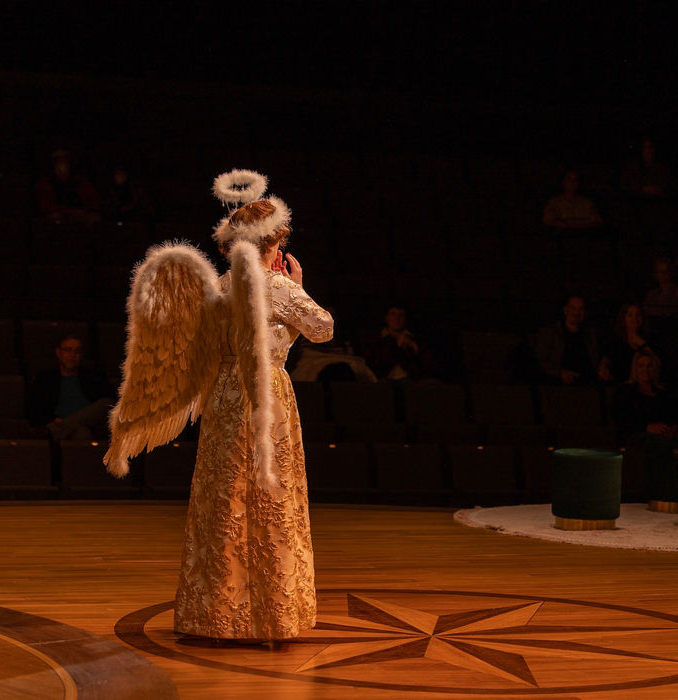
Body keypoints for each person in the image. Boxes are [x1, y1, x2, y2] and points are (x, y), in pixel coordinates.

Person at [105, 169, 333, 646]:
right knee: (269, 500)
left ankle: (215, 614)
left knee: (224, 498)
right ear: (274, 246)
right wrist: (299, 284)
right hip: (265, 392)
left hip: (226, 395)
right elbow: (323, 328)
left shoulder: (221, 287)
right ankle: (270, 616)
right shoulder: (279, 287)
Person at [27, 334, 114, 441]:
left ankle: (55, 430)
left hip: (90, 422)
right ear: (58, 353)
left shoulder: (93, 377)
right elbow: (35, 408)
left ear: (81, 355)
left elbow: (108, 404)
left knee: (106, 403)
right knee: (82, 433)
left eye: (77, 351)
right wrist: (52, 420)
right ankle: (63, 427)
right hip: (67, 423)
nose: (72, 355)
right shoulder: (45, 378)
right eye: (68, 350)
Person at [612, 350, 678, 444]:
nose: (645, 370)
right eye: (641, 366)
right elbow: (621, 418)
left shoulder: (664, 394)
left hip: (664, 436)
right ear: (635, 369)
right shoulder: (625, 391)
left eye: (649, 366)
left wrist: (674, 427)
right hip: (636, 438)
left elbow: (675, 414)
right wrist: (647, 427)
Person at [535, 295, 600, 385]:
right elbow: (540, 360)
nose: (577, 312)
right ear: (566, 310)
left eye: (580, 309)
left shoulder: (590, 334)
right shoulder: (551, 332)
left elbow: (598, 356)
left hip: (588, 383)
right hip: (559, 384)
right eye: (573, 308)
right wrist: (560, 372)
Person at [363, 303, 435, 381]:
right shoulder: (376, 341)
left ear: (405, 319)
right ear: (386, 318)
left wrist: (415, 349)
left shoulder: (416, 340)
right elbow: (374, 367)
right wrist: (397, 347)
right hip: (384, 384)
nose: (397, 318)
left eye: (401, 315)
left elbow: (427, 366)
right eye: (393, 314)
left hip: (412, 384)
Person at [598, 303, 654, 383]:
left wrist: (641, 343)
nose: (634, 318)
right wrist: (603, 368)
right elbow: (606, 360)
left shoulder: (650, 340)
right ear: (624, 318)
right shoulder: (616, 342)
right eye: (630, 315)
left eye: (638, 315)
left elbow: (655, 363)